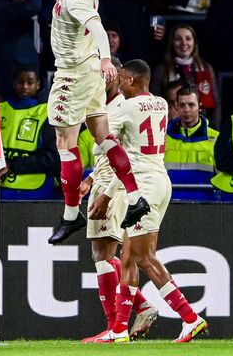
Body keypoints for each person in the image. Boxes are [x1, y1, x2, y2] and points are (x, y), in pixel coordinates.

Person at [46, 0, 146, 245]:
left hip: (74, 74)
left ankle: (70, 214)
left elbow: (98, 25)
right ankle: (135, 197)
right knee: (103, 136)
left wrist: (107, 58)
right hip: (88, 71)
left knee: (65, 143)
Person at [87, 59, 208, 343]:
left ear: (128, 80)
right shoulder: (162, 104)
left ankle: (190, 317)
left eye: (122, 79)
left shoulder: (126, 108)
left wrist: (104, 192)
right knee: (128, 257)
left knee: (144, 257)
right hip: (159, 180)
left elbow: (105, 143)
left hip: (142, 187)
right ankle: (118, 330)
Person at [79, 57, 159, 342]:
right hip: (107, 181)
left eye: (108, 74)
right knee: (105, 254)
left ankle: (117, 325)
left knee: (104, 256)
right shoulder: (108, 106)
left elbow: (122, 156)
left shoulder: (119, 108)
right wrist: (90, 177)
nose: (103, 78)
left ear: (120, 77)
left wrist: (104, 190)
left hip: (112, 186)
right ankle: (128, 315)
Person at [0, 67, 59, 199]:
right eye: (20, 82)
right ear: (13, 83)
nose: (25, 86)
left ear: (38, 84)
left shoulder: (47, 113)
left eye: (30, 82)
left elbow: (52, 158)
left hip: (37, 193)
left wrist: (12, 165)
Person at [100, 0, 164, 66]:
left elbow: (157, 28)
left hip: (148, 61)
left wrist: (160, 34)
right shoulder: (113, 3)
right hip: (122, 60)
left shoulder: (152, 3)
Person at [151, 23, 219, 121]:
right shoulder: (162, 69)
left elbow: (216, 102)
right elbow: (155, 103)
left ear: (194, 42)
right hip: (170, 124)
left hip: (202, 123)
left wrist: (215, 127)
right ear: (172, 43)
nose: (184, 43)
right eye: (178, 39)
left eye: (188, 38)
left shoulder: (206, 67)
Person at [165, 86, 219, 200]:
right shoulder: (163, 137)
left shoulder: (215, 138)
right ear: (176, 107)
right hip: (169, 204)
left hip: (205, 206)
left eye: (191, 105)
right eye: (182, 105)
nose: (186, 110)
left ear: (199, 106)